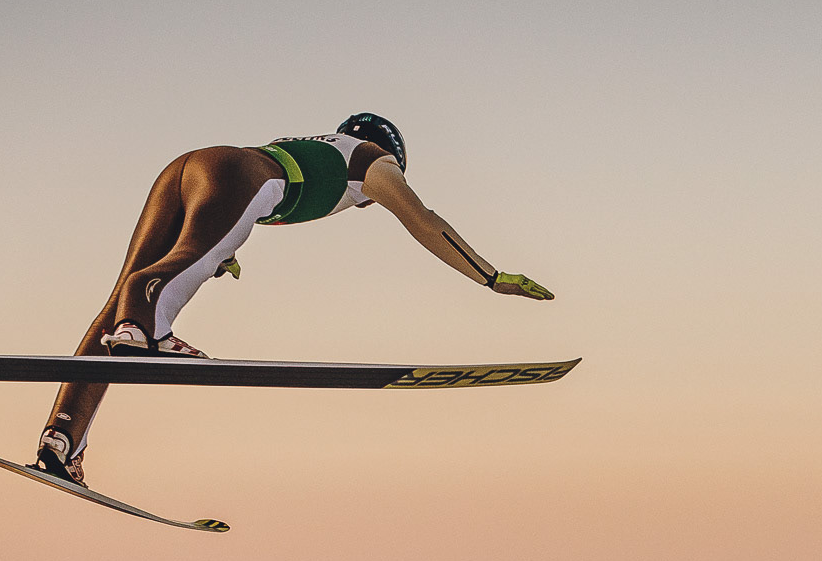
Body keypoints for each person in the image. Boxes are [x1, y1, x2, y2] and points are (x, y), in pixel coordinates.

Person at [31, 114, 553, 484]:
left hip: (189, 167)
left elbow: (249, 186)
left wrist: (219, 251)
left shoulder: (319, 147)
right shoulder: (372, 160)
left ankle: (62, 439)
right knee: (162, 279)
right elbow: (423, 221)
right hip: (237, 174)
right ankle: (149, 330)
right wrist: (490, 277)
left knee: (119, 304)